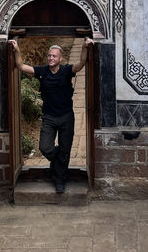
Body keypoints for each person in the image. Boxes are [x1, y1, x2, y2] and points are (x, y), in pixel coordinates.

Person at [8, 37, 94, 193]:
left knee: (65, 148)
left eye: (54, 56)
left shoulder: (67, 71)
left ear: (60, 58)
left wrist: (84, 47)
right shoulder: (42, 71)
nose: (51, 58)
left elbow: (81, 63)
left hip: (66, 116)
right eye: (49, 55)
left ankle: (60, 180)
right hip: (49, 117)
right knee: (45, 147)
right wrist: (16, 49)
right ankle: (59, 162)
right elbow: (20, 66)